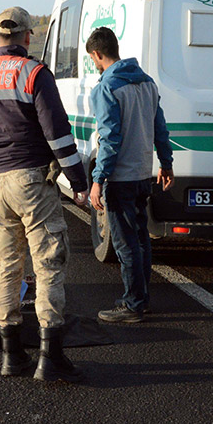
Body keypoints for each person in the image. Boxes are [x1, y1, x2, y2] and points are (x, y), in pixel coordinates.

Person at [0, 6, 90, 383]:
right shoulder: (34, 73)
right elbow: (58, 135)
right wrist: (79, 183)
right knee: (47, 265)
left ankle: (11, 356)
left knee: (7, 268)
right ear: (28, 37)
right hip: (31, 180)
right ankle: (50, 358)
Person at [85, 26, 174, 324]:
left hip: (120, 178)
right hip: (142, 174)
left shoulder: (107, 87)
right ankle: (141, 297)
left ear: (98, 54)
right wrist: (166, 162)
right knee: (140, 238)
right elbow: (160, 128)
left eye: (92, 59)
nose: (94, 64)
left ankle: (133, 304)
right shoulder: (147, 83)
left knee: (125, 243)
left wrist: (98, 179)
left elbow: (109, 139)